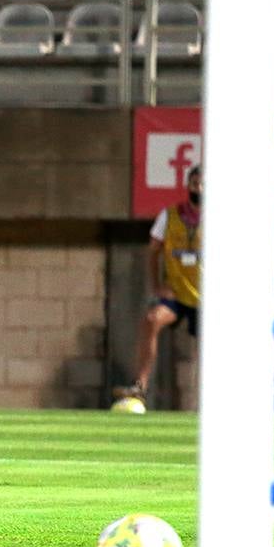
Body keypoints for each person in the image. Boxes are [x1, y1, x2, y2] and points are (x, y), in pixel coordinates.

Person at [114, 164, 202, 407]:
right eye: (195, 183)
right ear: (188, 186)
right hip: (176, 293)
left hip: (207, 294)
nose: (199, 188)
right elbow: (153, 251)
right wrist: (157, 285)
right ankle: (140, 385)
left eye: (204, 184)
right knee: (152, 320)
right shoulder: (170, 215)